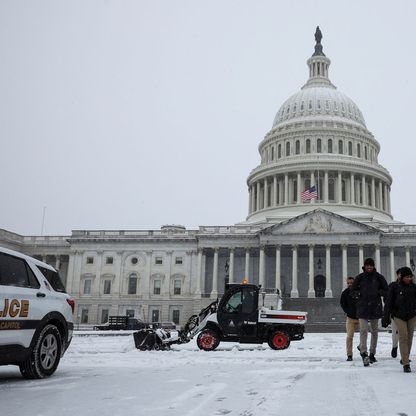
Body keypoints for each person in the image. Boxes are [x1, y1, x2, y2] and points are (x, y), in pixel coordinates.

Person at [352, 258, 388, 367]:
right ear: (364, 266)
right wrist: (359, 294)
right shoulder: (360, 277)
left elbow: (386, 290)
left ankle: (372, 353)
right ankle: (364, 352)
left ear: (373, 266)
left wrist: (378, 292)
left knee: (374, 332)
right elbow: (352, 291)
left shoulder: (379, 277)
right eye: (367, 265)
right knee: (363, 330)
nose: (369, 267)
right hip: (363, 307)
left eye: (371, 265)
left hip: (375, 307)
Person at [382, 267, 416, 373]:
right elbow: (388, 303)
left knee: (409, 338)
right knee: (403, 336)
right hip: (398, 315)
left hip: (411, 315)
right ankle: (406, 363)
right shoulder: (394, 287)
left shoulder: (414, 287)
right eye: (407, 277)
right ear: (402, 277)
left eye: (410, 277)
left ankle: (404, 357)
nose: (409, 279)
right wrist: (386, 317)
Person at [340, 277, 359, 361]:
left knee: (364, 335)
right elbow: (342, 303)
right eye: (348, 283)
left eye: (351, 283)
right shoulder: (345, 293)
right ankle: (349, 355)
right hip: (350, 318)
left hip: (360, 317)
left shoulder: (359, 291)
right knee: (349, 336)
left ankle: (362, 348)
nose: (350, 284)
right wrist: (347, 311)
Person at [389, 269, 402, 358]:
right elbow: (388, 299)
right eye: (400, 275)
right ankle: (395, 346)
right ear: (397, 275)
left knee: (405, 335)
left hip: (408, 314)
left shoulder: (412, 286)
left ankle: (404, 355)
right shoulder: (393, 286)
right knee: (395, 333)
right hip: (395, 314)